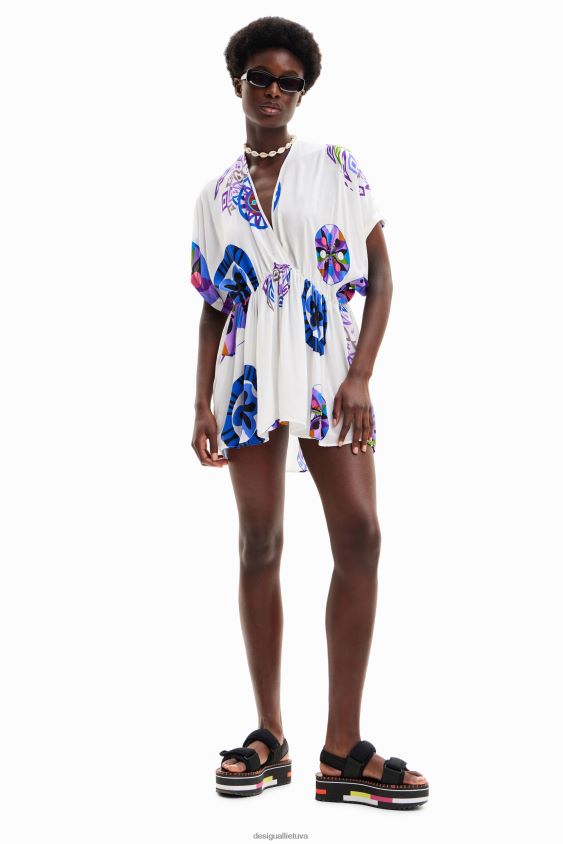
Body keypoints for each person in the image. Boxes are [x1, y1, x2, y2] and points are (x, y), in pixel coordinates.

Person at [190, 16, 429, 810]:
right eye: (260, 77)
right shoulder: (214, 195)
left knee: (360, 534)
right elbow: (215, 304)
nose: (273, 91)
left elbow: (380, 275)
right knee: (259, 540)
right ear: (237, 82)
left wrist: (361, 375)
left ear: (302, 92)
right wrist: (200, 402)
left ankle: (342, 748)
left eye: (289, 81)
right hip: (247, 373)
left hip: (329, 365)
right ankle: (269, 736)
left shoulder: (335, 164)